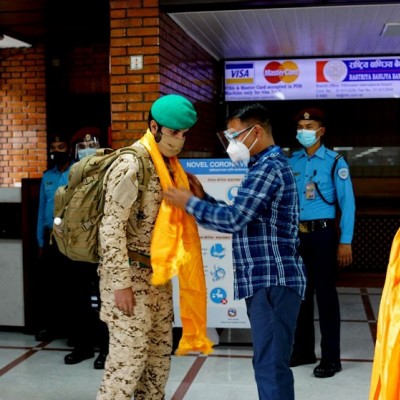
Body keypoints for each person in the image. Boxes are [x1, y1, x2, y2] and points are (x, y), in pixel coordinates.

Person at [164, 103, 307, 400]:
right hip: (267, 282)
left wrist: (188, 203)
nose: (232, 145)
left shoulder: (268, 168)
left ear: (256, 131)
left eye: (234, 136)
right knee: (268, 362)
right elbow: (241, 215)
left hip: (272, 281)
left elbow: (234, 220)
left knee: (271, 366)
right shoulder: (263, 166)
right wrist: (202, 198)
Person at [97, 94, 212, 400]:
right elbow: (110, 228)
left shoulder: (170, 167)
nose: (179, 140)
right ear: (154, 126)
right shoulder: (131, 164)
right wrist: (120, 284)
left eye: (184, 134)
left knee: (158, 361)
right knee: (127, 366)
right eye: (174, 133)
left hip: (157, 277)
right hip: (129, 278)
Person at [288, 107, 356, 378]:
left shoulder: (335, 161)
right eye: (301, 126)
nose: (304, 131)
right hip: (297, 236)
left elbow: (348, 204)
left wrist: (345, 241)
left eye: (310, 126)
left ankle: (331, 358)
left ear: (321, 131)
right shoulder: (292, 161)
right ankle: (304, 351)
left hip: (323, 235)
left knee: (326, 298)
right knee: (301, 296)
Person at [63, 128, 109, 369]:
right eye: (83, 144)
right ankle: (82, 347)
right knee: (78, 300)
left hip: (102, 248)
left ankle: (106, 349)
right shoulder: (70, 173)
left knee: (105, 302)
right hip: (75, 248)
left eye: (92, 143)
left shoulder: (109, 170)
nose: (87, 148)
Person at [36, 134, 75, 342]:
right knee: (51, 287)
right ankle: (52, 328)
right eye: (53, 147)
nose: (57, 151)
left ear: (68, 148)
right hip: (50, 237)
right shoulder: (47, 177)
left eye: (61, 147)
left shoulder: (77, 171)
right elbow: (42, 209)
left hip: (70, 238)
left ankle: (72, 331)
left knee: (71, 286)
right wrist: (40, 242)